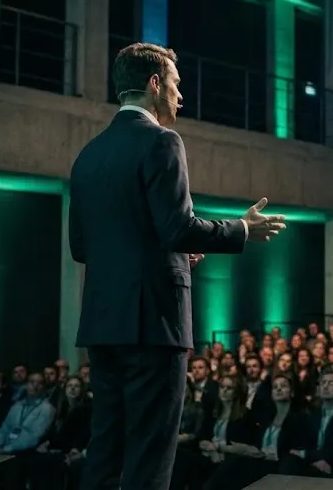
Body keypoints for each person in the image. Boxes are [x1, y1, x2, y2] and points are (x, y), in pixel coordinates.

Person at [69, 42, 287, 490]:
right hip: (155, 325)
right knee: (151, 452)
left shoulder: (88, 154)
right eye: (175, 83)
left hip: (102, 324)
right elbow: (177, 227)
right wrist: (241, 229)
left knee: (106, 448)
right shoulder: (163, 140)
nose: (179, 95)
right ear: (154, 84)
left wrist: (167, 246)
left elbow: (81, 246)